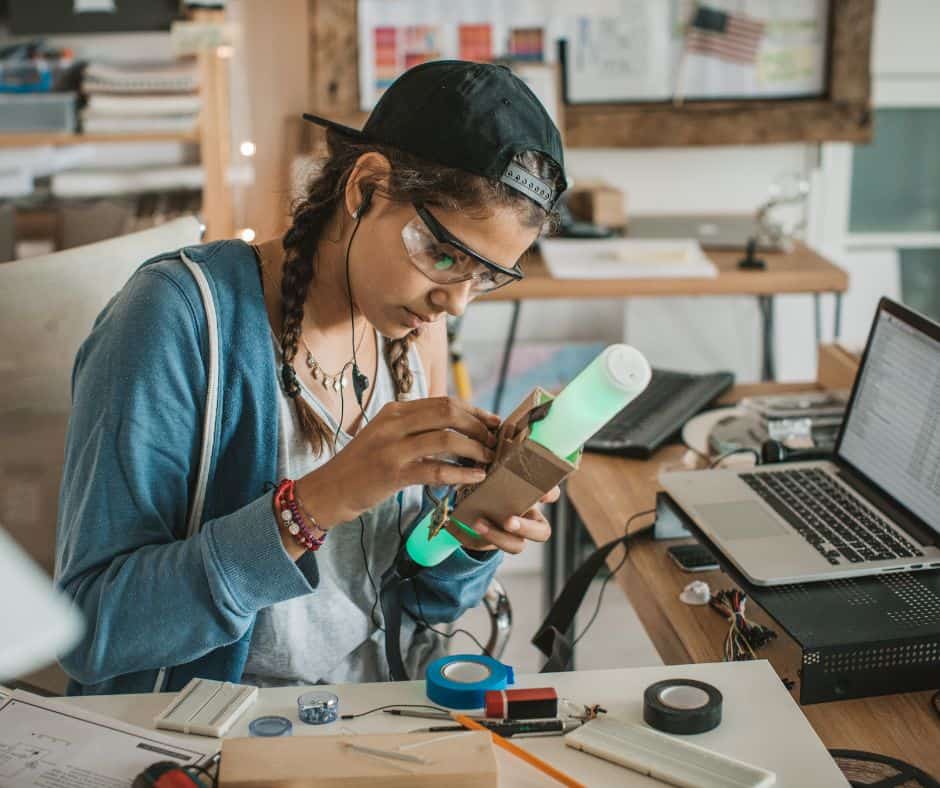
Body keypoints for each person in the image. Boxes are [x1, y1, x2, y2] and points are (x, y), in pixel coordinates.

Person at [55, 60, 568, 695]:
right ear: (367, 187)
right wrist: (317, 503)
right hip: (207, 725)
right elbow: (89, 632)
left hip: (374, 706)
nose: (456, 303)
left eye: (486, 276)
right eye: (442, 255)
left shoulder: (415, 336)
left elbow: (418, 604)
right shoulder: (175, 317)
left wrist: (469, 533)